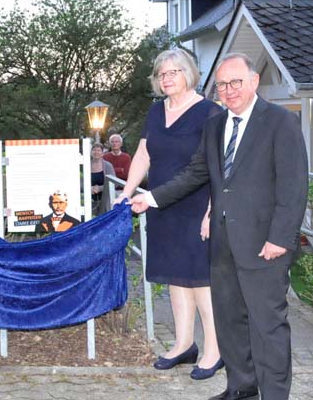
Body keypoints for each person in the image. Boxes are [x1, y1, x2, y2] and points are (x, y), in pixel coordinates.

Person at [128, 53, 308, 400]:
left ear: (253, 82)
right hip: (223, 243)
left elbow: (294, 185)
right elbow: (197, 174)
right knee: (230, 322)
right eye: (223, 85)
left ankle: (274, 395)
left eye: (236, 82)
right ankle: (241, 388)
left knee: (267, 326)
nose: (229, 90)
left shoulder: (280, 122)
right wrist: (150, 198)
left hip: (264, 245)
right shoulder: (215, 125)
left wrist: (280, 239)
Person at [116, 49, 223, 380]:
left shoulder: (210, 111)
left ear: (189, 73)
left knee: (201, 281)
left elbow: (216, 168)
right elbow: (144, 153)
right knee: (177, 279)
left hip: (196, 205)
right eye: (161, 74)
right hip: (160, 204)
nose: (166, 78)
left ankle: (215, 351)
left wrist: (211, 212)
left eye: (173, 72)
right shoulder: (155, 110)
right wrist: (127, 190)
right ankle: (184, 344)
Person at [90, 142, 114, 216]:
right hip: (90, 201)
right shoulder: (85, 165)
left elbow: (114, 183)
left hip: (105, 200)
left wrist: (99, 188)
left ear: (102, 153)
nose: (96, 152)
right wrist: (89, 188)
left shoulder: (108, 165)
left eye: (99, 150)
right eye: (94, 150)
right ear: (91, 152)